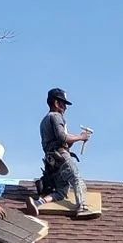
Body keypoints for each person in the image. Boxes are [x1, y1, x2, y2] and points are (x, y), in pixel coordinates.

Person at [26, 87, 98, 219]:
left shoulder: (44, 121)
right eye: (63, 103)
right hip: (61, 157)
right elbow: (62, 137)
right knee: (77, 179)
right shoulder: (56, 116)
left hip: (52, 161)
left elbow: (62, 141)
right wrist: (81, 137)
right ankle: (82, 207)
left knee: (61, 192)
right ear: (56, 103)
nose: (65, 107)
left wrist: (75, 139)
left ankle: (38, 203)